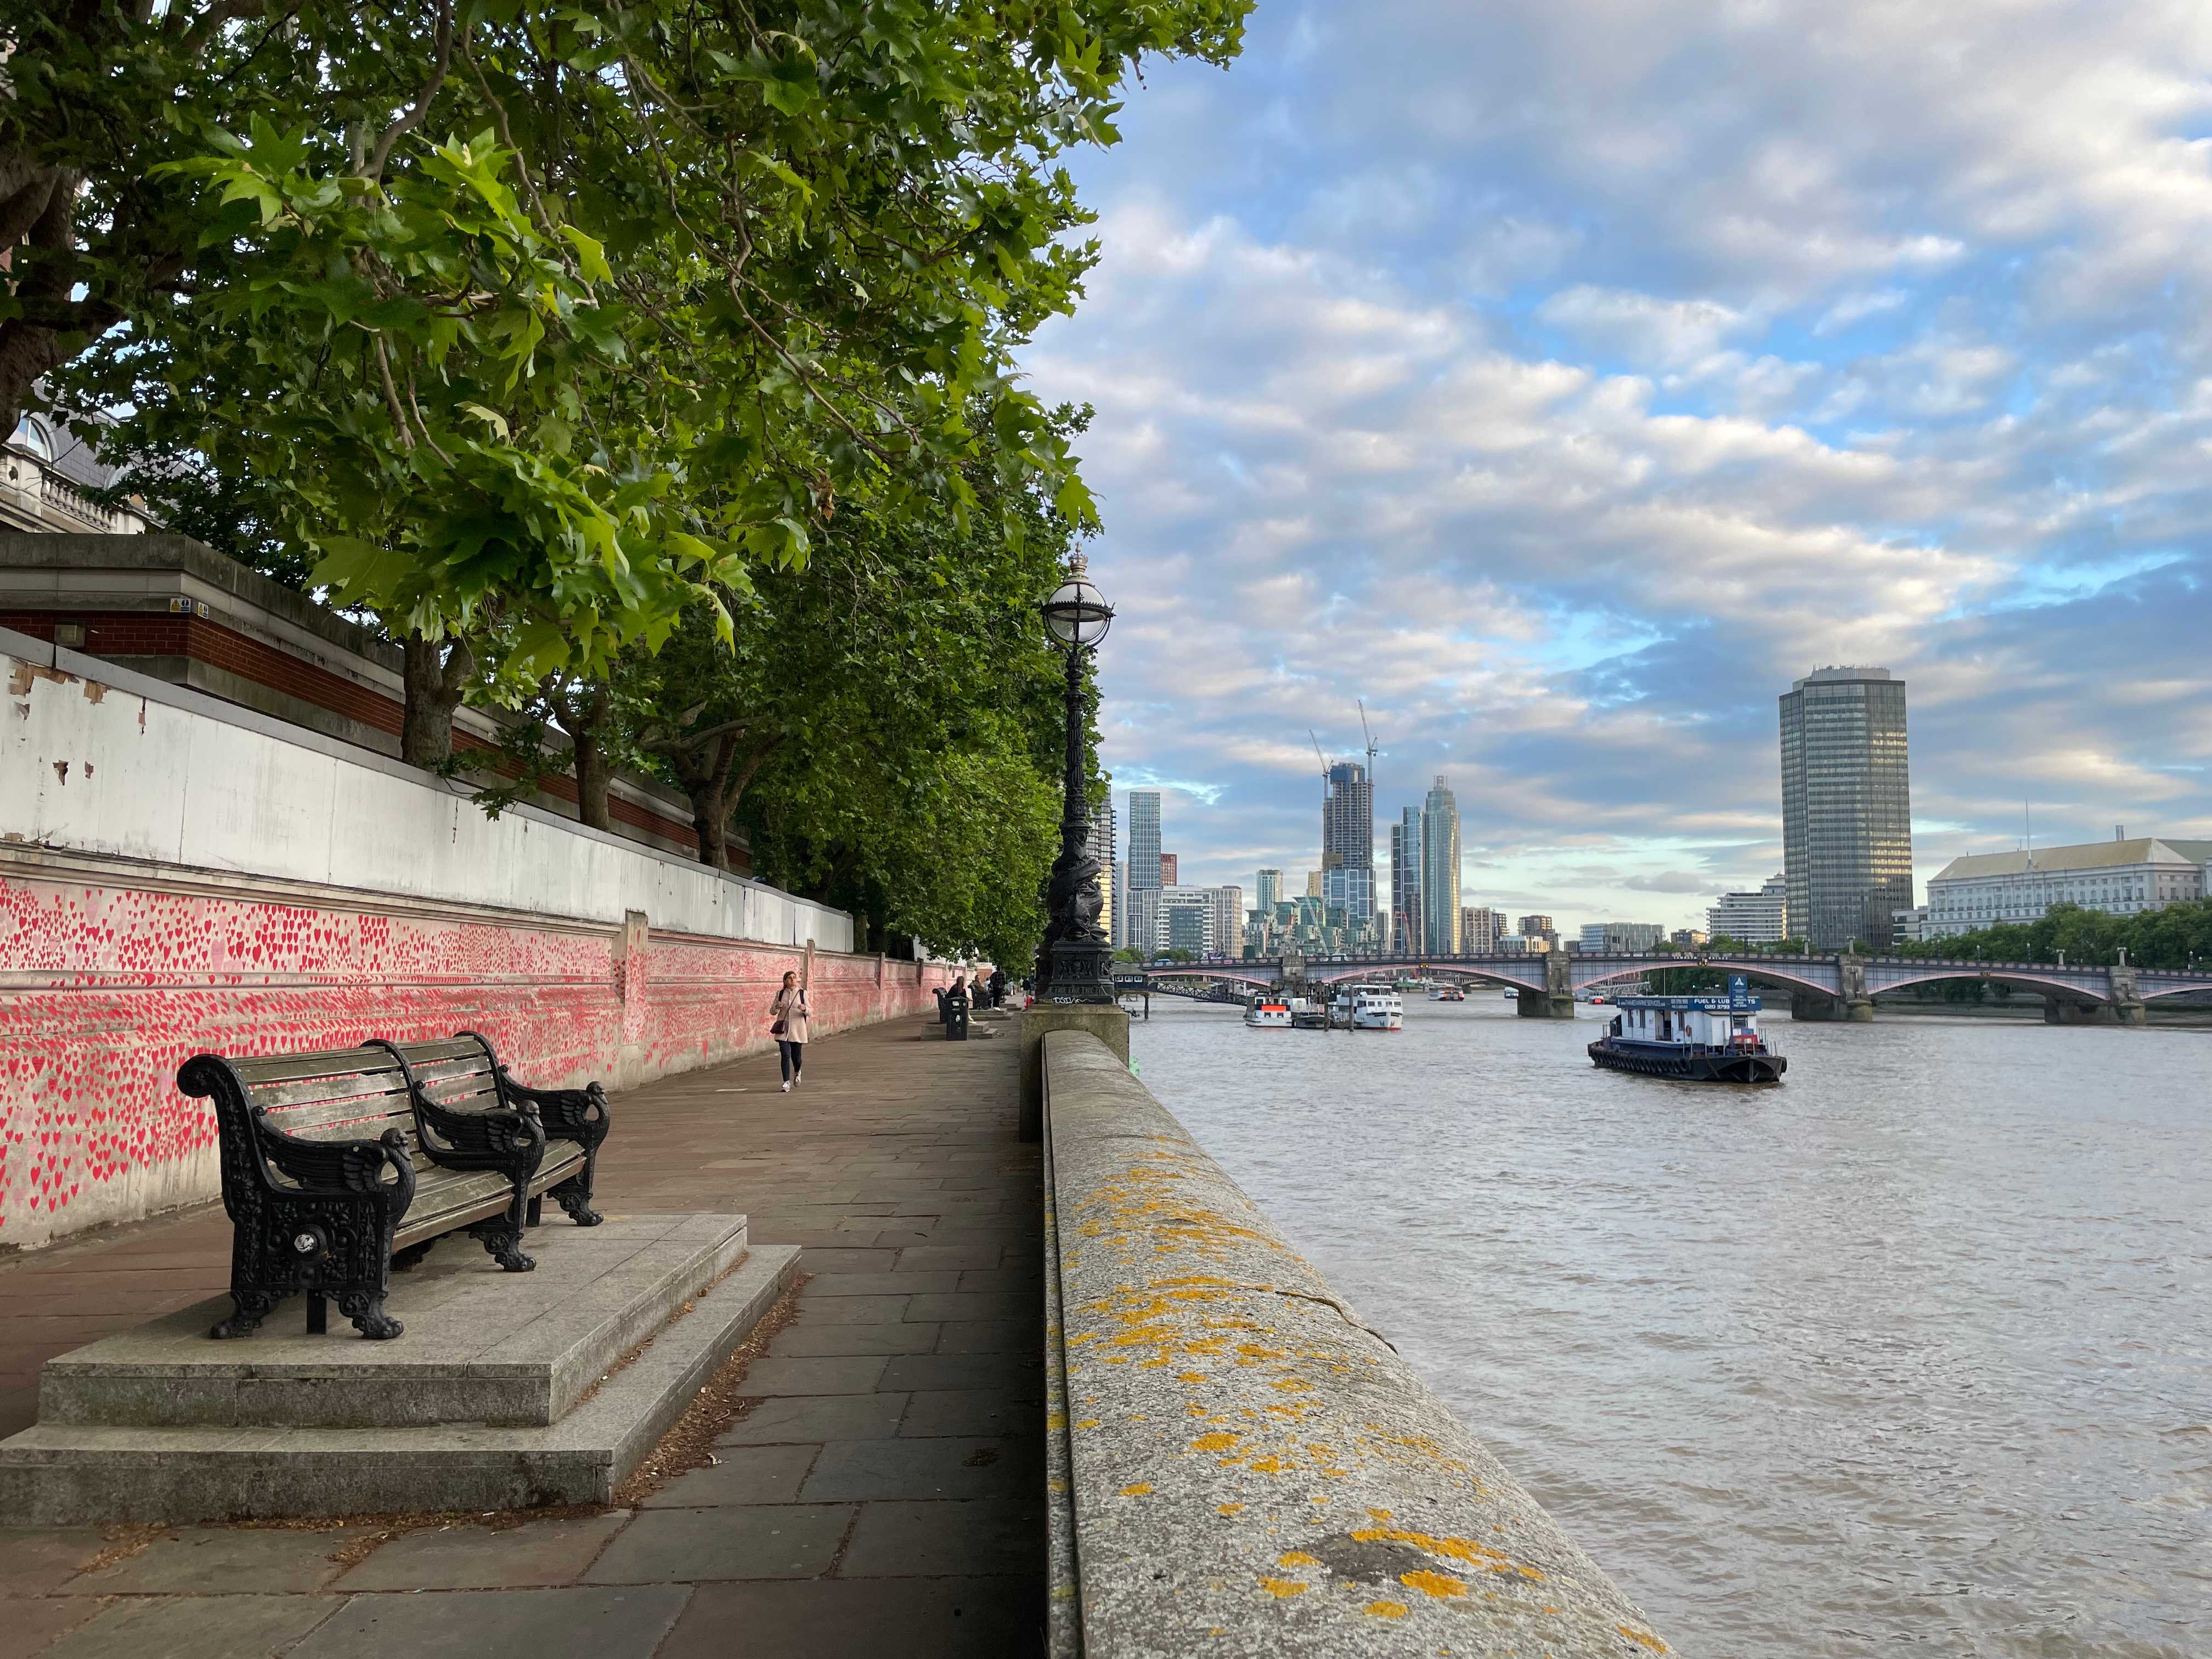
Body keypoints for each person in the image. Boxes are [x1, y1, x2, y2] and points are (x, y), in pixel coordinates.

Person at [769, 970, 810, 1092]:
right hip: (783, 1031)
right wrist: (777, 1006)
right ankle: (786, 1082)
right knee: (785, 1055)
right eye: (789, 978)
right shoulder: (781, 993)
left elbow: (811, 1011)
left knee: (796, 1057)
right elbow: (772, 1011)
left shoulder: (803, 993)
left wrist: (804, 1009)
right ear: (785, 981)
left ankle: (798, 1072)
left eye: (794, 978)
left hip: (798, 1030)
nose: (792, 980)